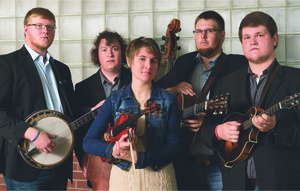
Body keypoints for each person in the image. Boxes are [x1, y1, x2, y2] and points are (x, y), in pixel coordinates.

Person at [199, 11, 300, 190]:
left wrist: (275, 127)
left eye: (259, 35)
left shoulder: (296, 79)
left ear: (274, 39)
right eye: (246, 37)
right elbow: (205, 130)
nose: (252, 42)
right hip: (235, 184)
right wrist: (219, 131)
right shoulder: (226, 82)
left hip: (283, 184)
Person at [156, 10, 247, 190]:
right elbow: (152, 94)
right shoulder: (184, 63)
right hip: (184, 160)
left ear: (222, 35)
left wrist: (210, 124)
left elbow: (244, 108)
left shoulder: (239, 66)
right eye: (198, 31)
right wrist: (174, 89)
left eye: (209, 31)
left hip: (220, 160)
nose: (203, 36)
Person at [83, 37, 181, 190]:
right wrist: (113, 150)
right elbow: (88, 142)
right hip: (123, 179)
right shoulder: (114, 100)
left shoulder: (168, 99)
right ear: (129, 61)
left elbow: (174, 145)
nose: (148, 66)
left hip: (159, 178)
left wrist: (141, 158)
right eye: (142, 59)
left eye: (153, 61)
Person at [0, 7, 77, 190]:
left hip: (59, 161)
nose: (45, 31)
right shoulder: (7, 64)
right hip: (24, 166)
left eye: (50, 27)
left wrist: (95, 110)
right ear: (26, 29)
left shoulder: (62, 69)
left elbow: (69, 111)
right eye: (39, 25)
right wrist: (32, 133)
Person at [74, 29, 132, 181]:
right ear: (97, 55)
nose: (110, 54)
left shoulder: (138, 79)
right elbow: (79, 130)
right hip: (98, 157)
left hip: (132, 154)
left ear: (123, 53)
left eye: (115, 49)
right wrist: (82, 157)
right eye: (104, 50)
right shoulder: (82, 87)